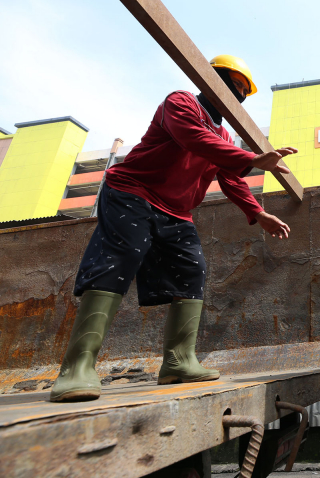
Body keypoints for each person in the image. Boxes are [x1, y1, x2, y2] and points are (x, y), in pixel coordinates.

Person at [50, 55, 298, 402]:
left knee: (192, 270)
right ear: (210, 80)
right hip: (132, 192)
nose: (236, 96)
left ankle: (178, 362)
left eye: (242, 92)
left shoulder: (224, 133)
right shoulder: (180, 102)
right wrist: (251, 160)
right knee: (119, 261)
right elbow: (192, 137)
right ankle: (77, 368)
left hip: (177, 211)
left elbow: (228, 177)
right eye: (231, 85)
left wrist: (258, 213)